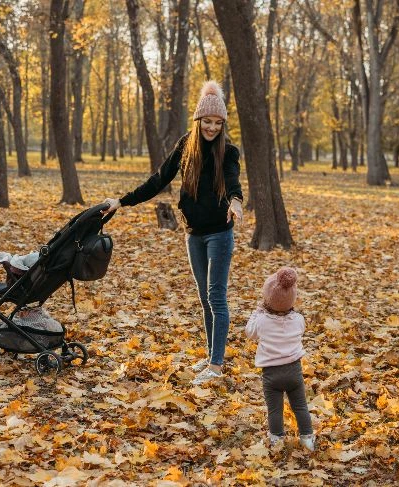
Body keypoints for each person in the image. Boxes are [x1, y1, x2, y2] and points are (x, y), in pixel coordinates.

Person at [102, 81, 243, 385]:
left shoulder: (229, 152)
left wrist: (236, 202)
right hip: (193, 233)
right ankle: (211, 355)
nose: (212, 128)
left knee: (216, 297)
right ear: (198, 120)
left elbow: (233, 181)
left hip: (220, 234)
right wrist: (121, 201)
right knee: (204, 299)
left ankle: (217, 366)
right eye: (208, 122)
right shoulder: (184, 146)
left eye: (218, 123)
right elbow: (157, 181)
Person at [245, 267, 315, 452]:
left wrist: (256, 312)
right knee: (300, 406)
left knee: (274, 410)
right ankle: (307, 439)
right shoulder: (298, 319)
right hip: (294, 371)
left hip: (271, 374)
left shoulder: (261, 321)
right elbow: (300, 330)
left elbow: (249, 333)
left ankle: (276, 440)